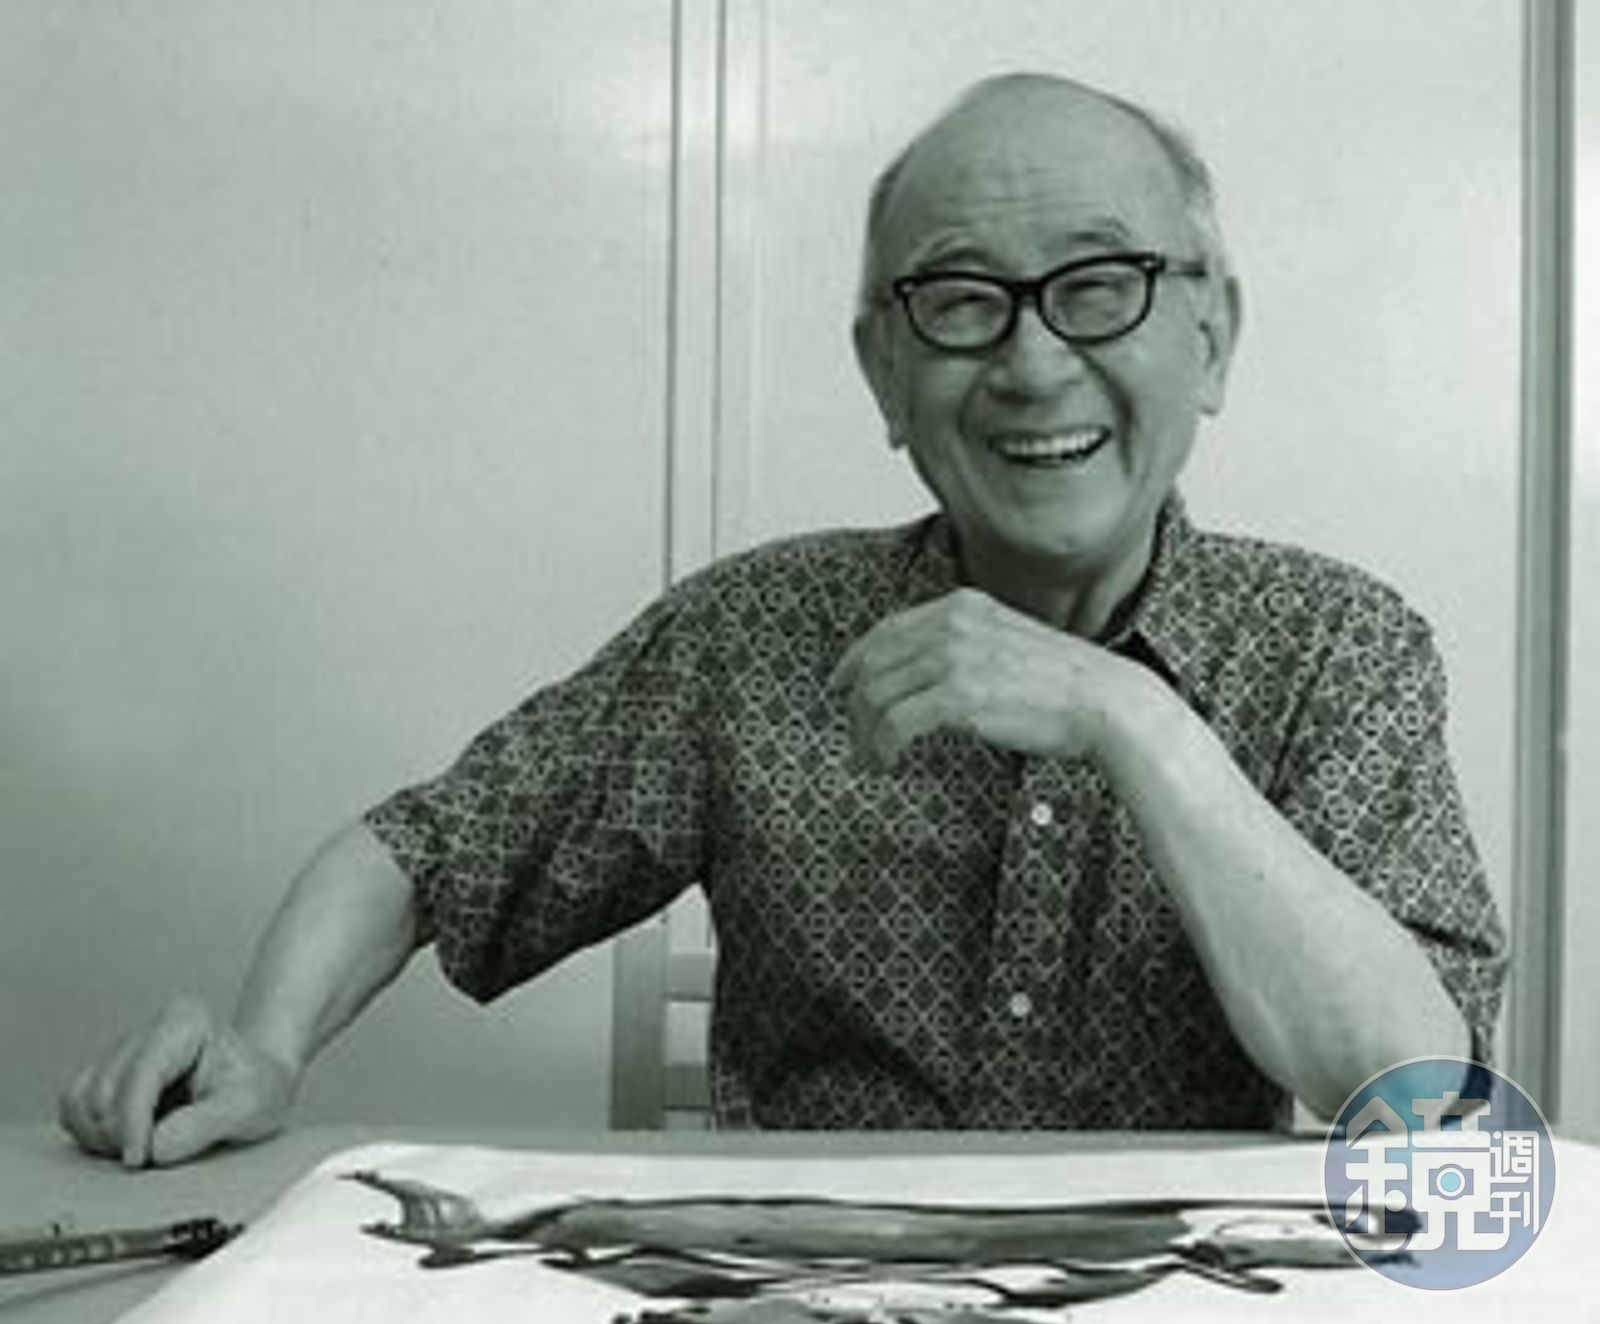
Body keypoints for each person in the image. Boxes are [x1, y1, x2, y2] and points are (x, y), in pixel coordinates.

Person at [59, 72, 1506, 1165]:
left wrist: (1130, 718)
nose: (1031, 362)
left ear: (1212, 337)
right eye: (961, 301)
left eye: (1099, 285)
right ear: (884, 373)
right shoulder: (754, 634)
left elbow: (1423, 1096)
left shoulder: (1338, 645)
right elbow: (430, 849)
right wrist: (265, 1044)